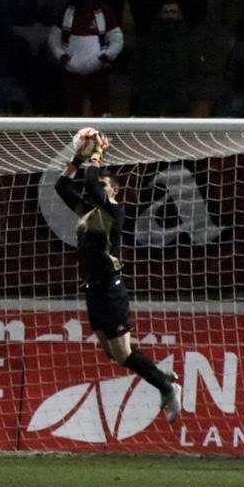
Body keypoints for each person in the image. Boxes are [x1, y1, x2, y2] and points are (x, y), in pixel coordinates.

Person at [54, 138, 182, 424]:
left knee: (123, 352)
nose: (100, 188)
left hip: (111, 291)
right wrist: (76, 159)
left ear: (115, 191)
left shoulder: (113, 212)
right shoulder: (88, 214)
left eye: (106, 185)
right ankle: (161, 376)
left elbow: (92, 184)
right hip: (92, 291)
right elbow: (61, 187)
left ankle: (167, 386)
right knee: (114, 354)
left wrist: (96, 155)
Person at [47, 0, 124, 117]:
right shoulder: (66, 11)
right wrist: (62, 57)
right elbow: (54, 37)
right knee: (71, 111)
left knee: (102, 111)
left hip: (98, 70)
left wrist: (106, 56)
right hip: (71, 71)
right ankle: (72, 138)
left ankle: (102, 138)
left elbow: (116, 38)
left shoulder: (104, 11)